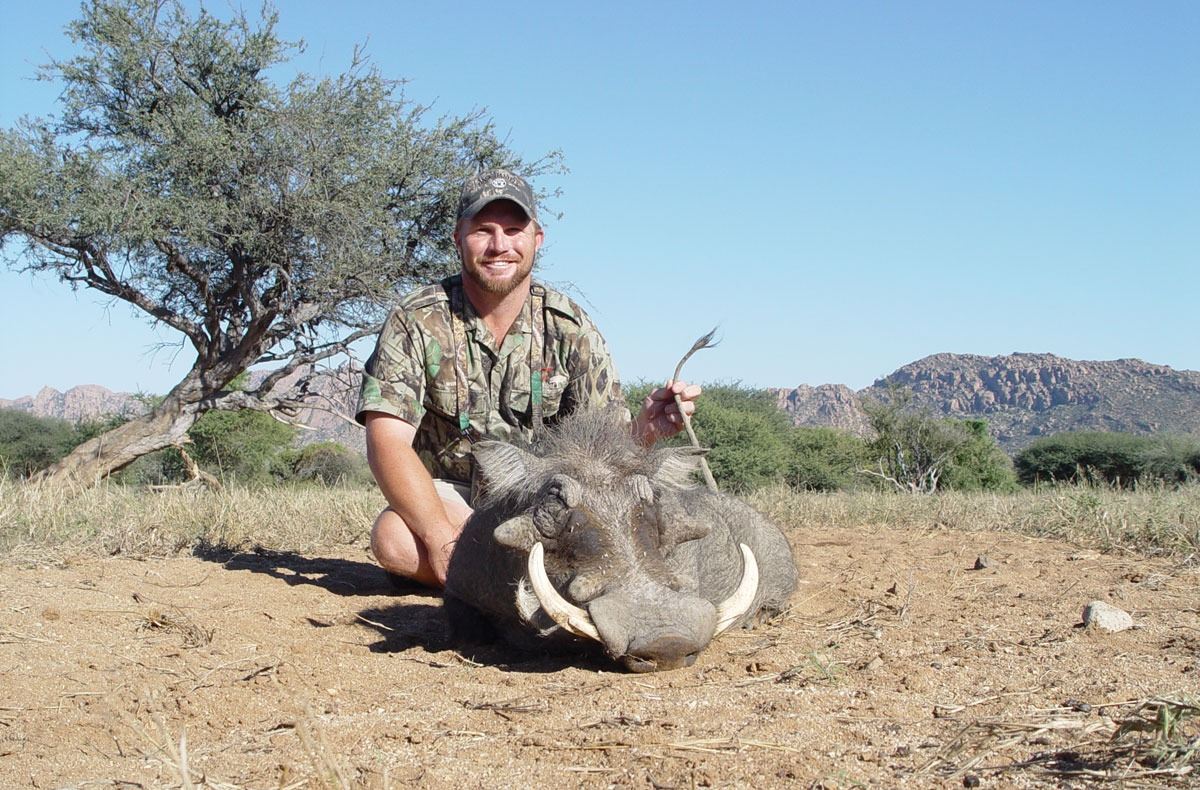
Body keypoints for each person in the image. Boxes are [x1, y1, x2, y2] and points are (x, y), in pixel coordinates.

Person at [355, 168, 701, 588]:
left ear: (537, 239)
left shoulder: (571, 326)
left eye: (514, 230)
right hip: (455, 500)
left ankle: (493, 582)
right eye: (483, 230)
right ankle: (523, 581)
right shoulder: (415, 319)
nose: (499, 245)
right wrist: (441, 538)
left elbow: (606, 453)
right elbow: (387, 441)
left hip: (548, 499)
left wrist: (644, 431)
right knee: (394, 540)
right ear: (458, 238)